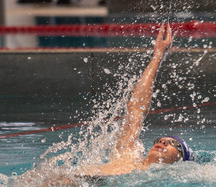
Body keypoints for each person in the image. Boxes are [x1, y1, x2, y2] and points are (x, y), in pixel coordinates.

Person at [76, 24, 194, 178]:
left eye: (175, 144)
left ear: (180, 161)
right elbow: (136, 109)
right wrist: (157, 57)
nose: (163, 142)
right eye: (160, 140)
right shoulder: (128, 157)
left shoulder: (160, 180)